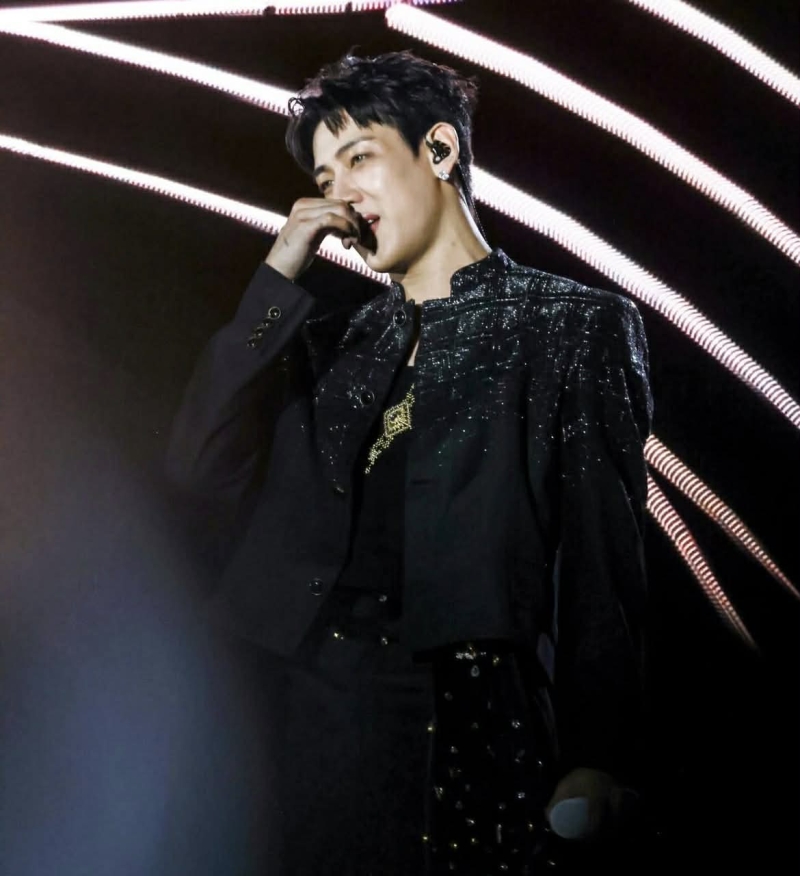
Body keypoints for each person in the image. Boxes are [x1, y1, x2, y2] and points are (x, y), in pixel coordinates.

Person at [166, 50, 653, 875]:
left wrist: (599, 752)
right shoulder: (332, 344)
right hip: (307, 709)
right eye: (325, 176)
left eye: (359, 158)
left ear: (439, 150)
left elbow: (602, 560)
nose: (339, 194)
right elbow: (197, 467)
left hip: (468, 720)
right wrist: (279, 273)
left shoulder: (572, 324)